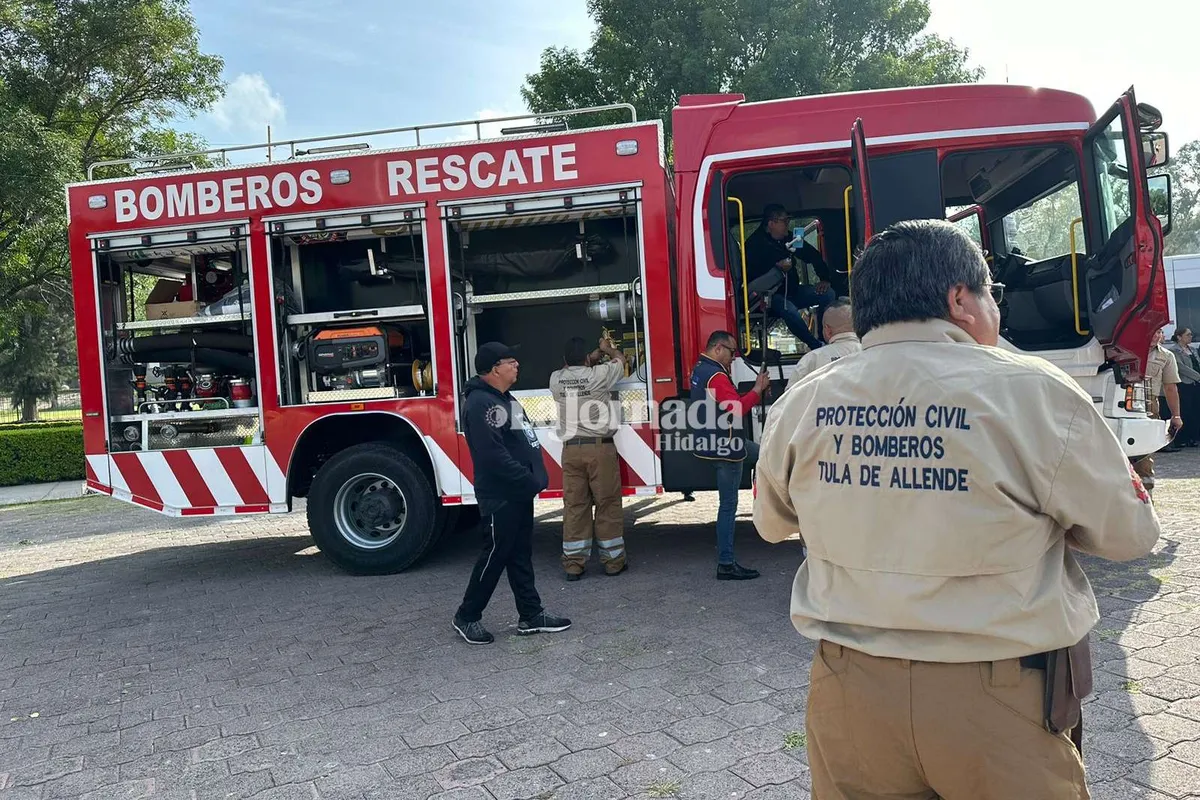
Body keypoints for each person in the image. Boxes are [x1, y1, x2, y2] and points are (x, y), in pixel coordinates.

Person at [753, 220, 1162, 799]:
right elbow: (1131, 535)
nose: (994, 306)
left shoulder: (805, 402)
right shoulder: (1032, 392)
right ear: (959, 300)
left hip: (849, 695)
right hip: (997, 701)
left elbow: (771, 524)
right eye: (990, 291)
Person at [452, 341, 572, 645]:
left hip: (518, 493)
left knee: (520, 555)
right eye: (510, 361)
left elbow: (524, 440)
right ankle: (467, 616)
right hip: (501, 495)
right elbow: (492, 455)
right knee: (494, 555)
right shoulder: (480, 404)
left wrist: (536, 476)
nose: (516, 364)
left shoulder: (505, 399)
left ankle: (531, 615)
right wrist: (528, 480)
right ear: (494, 369)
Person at [688, 330, 770, 580]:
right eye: (732, 352)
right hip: (728, 448)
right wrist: (758, 389)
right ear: (718, 348)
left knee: (768, 457)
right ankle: (725, 563)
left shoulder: (700, 368)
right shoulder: (716, 376)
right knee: (728, 506)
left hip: (715, 443)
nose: (734, 358)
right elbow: (737, 409)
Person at [549, 335, 628, 580]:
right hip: (599, 449)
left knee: (575, 506)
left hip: (571, 451)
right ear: (587, 359)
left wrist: (587, 358)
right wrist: (607, 349)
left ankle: (574, 564)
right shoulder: (599, 375)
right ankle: (613, 562)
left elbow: (569, 370)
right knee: (607, 503)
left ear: (564, 360)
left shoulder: (556, 379)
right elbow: (621, 361)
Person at [743, 203, 836, 351]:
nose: (788, 225)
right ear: (771, 223)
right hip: (770, 296)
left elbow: (813, 256)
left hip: (793, 290)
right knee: (789, 310)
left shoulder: (791, 238)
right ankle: (816, 346)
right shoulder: (754, 245)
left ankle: (825, 337)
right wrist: (776, 269)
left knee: (828, 294)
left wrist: (824, 279)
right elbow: (752, 277)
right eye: (784, 221)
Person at [1133, 327, 1183, 487]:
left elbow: (1170, 387)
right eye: (1152, 331)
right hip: (1121, 400)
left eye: (1159, 332)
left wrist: (1176, 416)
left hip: (1149, 403)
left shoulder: (1166, 356)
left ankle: (1146, 492)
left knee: (1144, 451)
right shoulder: (1126, 350)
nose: (1155, 335)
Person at [784, 298, 860, 392]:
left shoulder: (811, 360)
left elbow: (789, 401)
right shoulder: (874, 355)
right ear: (857, 326)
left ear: (827, 330)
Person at [1166, 326, 1200, 447]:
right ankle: (1182, 438)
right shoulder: (1174, 351)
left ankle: (1194, 436)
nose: (1191, 337)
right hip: (1185, 383)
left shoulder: (1192, 349)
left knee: (1196, 410)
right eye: (1188, 335)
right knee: (1185, 410)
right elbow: (1181, 368)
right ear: (1179, 337)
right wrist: (1198, 376)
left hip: (1196, 384)